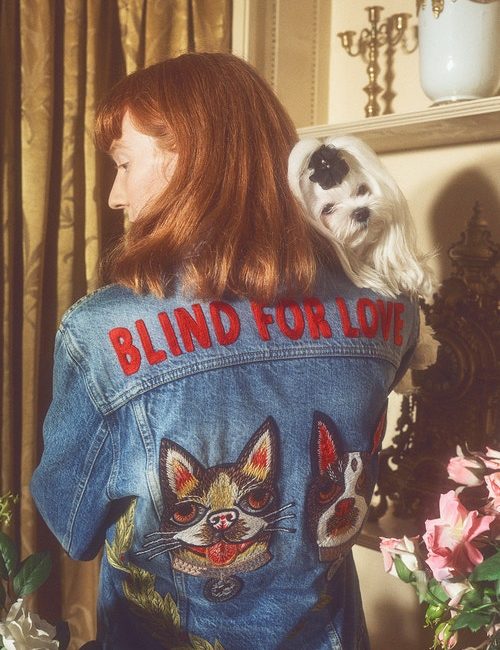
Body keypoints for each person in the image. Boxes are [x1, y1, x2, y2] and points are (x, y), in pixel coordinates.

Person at [31, 52, 420, 650]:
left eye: (124, 164)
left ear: (187, 158)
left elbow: (72, 523)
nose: (114, 195)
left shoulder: (101, 331)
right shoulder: (392, 311)